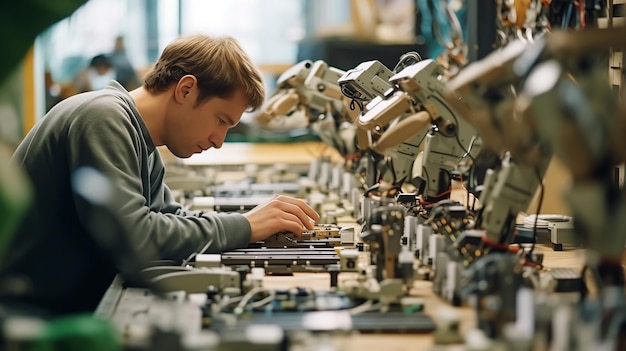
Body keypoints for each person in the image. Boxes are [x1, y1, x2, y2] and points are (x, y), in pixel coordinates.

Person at [2, 34, 320, 317]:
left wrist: (252, 222)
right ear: (186, 89)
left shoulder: (143, 141)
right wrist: (245, 226)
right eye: (220, 120)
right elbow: (139, 236)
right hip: (32, 316)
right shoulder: (104, 117)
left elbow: (167, 216)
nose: (219, 140)